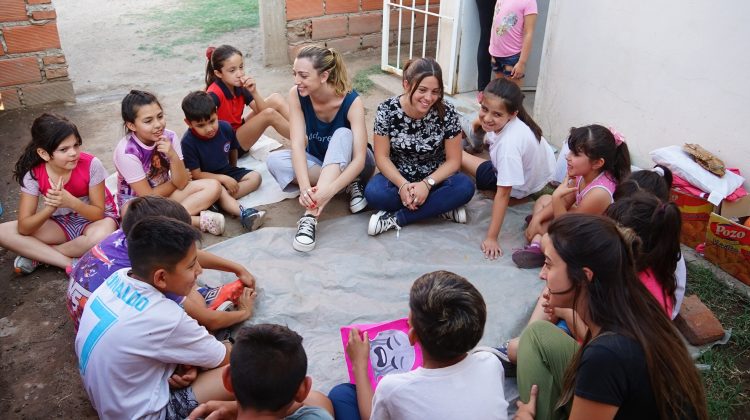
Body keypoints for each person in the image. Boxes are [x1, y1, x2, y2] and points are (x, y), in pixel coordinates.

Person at [513, 214, 708, 420]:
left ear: (585, 276)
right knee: (537, 334)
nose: (542, 274)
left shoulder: (606, 355)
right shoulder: (629, 303)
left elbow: (605, 362)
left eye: (549, 264)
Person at [75, 216, 234, 419]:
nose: (199, 270)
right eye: (191, 265)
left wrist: (190, 362)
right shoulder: (167, 317)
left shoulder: (118, 277)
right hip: (144, 415)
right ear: (160, 277)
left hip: (109, 403)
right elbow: (224, 356)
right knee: (245, 371)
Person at [328, 270, 508, 420]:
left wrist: (359, 363)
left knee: (341, 394)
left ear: (412, 336)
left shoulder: (394, 388)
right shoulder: (491, 363)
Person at [67, 196, 257, 333]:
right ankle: (204, 297)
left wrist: (236, 268)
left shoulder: (131, 236)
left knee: (183, 275)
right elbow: (210, 322)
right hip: (111, 331)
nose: (198, 269)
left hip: (89, 324)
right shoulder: (144, 271)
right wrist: (244, 312)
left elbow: (189, 255)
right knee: (193, 303)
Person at [266, 45, 375, 252]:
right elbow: (297, 144)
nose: (297, 81)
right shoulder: (297, 95)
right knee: (274, 160)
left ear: (324, 75)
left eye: (303, 75)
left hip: (356, 165)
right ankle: (346, 187)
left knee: (342, 133)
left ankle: (310, 216)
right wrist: (306, 188)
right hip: (321, 163)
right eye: (295, 74)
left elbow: (360, 159)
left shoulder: (351, 101)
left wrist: (327, 192)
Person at [364, 57, 474, 237]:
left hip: (436, 179)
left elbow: (454, 161)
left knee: (465, 186)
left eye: (435, 91)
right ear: (406, 85)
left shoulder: (447, 112)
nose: (429, 98)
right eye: (422, 90)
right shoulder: (387, 110)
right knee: (374, 193)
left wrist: (426, 184)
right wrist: (402, 186)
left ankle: (397, 218)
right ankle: (440, 208)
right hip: (398, 178)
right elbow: (381, 157)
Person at [0, 113, 117, 275]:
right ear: (44, 153)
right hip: (60, 223)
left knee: (103, 236)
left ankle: (41, 255)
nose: (73, 153)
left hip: (93, 221)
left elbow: (98, 214)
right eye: (64, 149)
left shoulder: (91, 164)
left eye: (76, 145)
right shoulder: (33, 175)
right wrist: (50, 208)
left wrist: (72, 202)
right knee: (3, 232)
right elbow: (24, 227)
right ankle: (69, 262)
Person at [461, 78, 554, 259]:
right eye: (484, 109)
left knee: (456, 157)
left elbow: (503, 194)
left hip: (520, 187)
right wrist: (479, 126)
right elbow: (482, 121)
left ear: (512, 114)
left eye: (497, 114)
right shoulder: (517, 122)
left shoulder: (508, 147)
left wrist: (491, 238)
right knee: (470, 125)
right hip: (536, 175)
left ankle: (519, 199)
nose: (488, 118)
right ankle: (475, 146)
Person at [515, 125, 631, 268]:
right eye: (570, 151)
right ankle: (539, 229)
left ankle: (538, 244)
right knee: (543, 200)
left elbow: (568, 229)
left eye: (576, 154)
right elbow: (567, 200)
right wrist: (538, 218)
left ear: (597, 163)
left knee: (547, 237)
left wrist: (556, 198)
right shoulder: (582, 173)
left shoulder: (599, 193)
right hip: (577, 220)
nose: (567, 156)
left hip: (585, 238)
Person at [114, 89, 226, 235]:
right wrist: (176, 180)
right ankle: (196, 220)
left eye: (160, 117)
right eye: (148, 121)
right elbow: (148, 197)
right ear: (132, 126)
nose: (158, 125)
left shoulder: (170, 137)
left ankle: (169, 222)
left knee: (214, 186)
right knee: (135, 219)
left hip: (167, 193)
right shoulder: (127, 152)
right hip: (138, 205)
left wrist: (172, 155)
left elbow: (182, 183)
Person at [188, 324, 335, 420]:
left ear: (227, 379)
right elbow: (316, 404)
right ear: (303, 389)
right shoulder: (317, 416)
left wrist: (234, 409)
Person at [181, 90, 265, 231]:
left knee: (255, 178)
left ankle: (217, 202)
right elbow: (196, 174)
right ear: (188, 123)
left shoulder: (225, 127)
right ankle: (242, 212)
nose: (209, 129)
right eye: (201, 125)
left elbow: (233, 150)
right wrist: (223, 179)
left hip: (225, 170)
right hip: (204, 180)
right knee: (218, 188)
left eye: (212, 121)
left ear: (216, 112)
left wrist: (233, 170)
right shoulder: (188, 142)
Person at [606, 192, 682, 317]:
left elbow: (605, 333)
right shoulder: (634, 269)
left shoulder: (640, 295)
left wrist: (566, 313)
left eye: (610, 233)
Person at [206, 45, 290, 151]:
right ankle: (305, 142)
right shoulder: (213, 95)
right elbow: (202, 125)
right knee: (270, 114)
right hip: (229, 145)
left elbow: (262, 111)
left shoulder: (239, 85)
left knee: (275, 99)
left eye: (241, 67)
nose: (240, 73)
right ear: (218, 73)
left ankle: (308, 133)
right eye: (232, 70)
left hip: (238, 130)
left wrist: (254, 92)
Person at [489, 0, 537, 87]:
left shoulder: (529, 2)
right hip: (496, 55)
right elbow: (495, 21)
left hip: (512, 56)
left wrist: (522, 62)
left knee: (513, 96)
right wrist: (492, 52)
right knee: (499, 94)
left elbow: (528, 33)